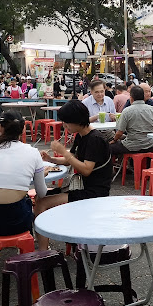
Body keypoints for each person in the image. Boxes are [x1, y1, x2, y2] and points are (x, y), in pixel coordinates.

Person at [35, 101, 112, 250]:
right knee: (40, 198)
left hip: (94, 191)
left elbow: (86, 169)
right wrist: (51, 159)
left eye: (67, 122)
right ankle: (49, 241)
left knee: (41, 203)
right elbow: (70, 159)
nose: (65, 126)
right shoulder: (81, 135)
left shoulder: (94, 139)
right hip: (81, 185)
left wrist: (63, 151)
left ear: (78, 121)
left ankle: (43, 252)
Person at [0, 111, 46, 238]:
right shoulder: (33, 153)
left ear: (0, 127)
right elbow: (42, 193)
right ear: (22, 130)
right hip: (19, 222)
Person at [110, 85, 153, 156]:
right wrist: (149, 132)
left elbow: (119, 132)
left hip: (132, 146)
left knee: (109, 148)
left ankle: (121, 165)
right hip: (151, 146)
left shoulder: (127, 111)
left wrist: (114, 140)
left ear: (131, 98)